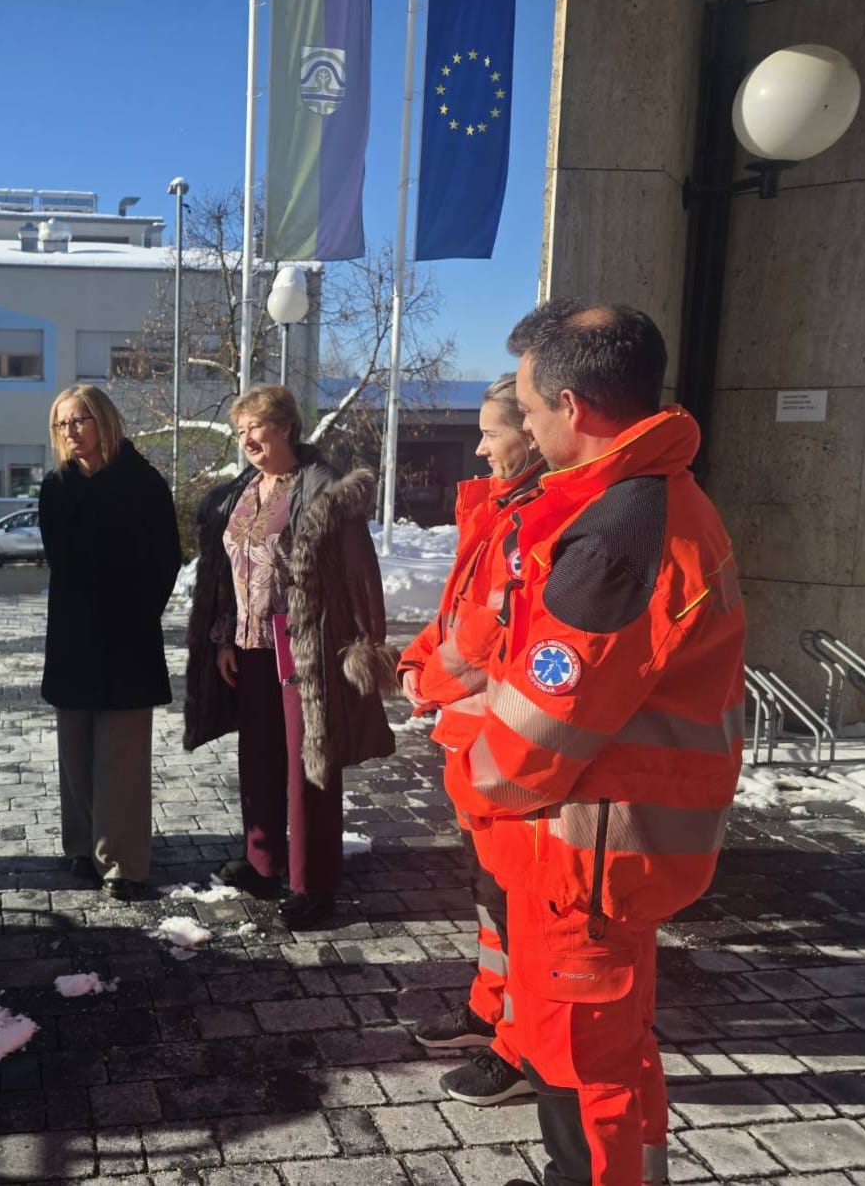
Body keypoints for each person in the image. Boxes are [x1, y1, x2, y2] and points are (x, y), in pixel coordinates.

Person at [458, 301, 744, 1186]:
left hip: (587, 858)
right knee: (614, 1047)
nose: (524, 429)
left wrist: (469, 777)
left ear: (572, 406)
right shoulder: (654, 501)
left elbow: (534, 737)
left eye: (528, 410)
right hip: (614, 849)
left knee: (580, 1062)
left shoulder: (619, 532)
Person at [184, 384, 396, 930]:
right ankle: (263, 865)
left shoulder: (322, 490)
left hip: (306, 643)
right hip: (250, 647)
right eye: (240, 430)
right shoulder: (242, 490)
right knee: (258, 757)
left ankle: (313, 883)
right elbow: (227, 574)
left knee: (310, 764)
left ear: (284, 427)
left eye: (255, 426)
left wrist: (366, 643)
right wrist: (224, 638)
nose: (246, 438)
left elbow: (359, 573)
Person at [397, 373, 543, 1108]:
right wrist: (413, 659)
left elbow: (492, 635)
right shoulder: (499, 509)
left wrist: (426, 680)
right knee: (489, 896)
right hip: (472, 741)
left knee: (517, 904)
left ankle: (519, 1045)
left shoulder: (534, 516)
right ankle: (490, 1011)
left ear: (534, 430)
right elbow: (456, 612)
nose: (480, 447)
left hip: (504, 748)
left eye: (492, 432)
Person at [39, 384, 181, 901]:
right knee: (75, 751)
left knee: (121, 757)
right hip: (73, 635)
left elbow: (166, 558)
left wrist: (137, 613)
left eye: (80, 420)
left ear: (104, 421)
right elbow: (60, 560)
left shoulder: (142, 482)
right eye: (62, 424)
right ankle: (82, 845)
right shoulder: (55, 486)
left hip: (127, 637)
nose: (71, 432)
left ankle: (122, 861)